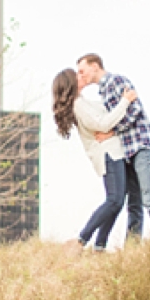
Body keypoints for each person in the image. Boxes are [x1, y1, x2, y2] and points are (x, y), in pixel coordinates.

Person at [75, 53, 150, 239]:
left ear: (95, 66)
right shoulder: (102, 92)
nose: (81, 75)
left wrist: (113, 131)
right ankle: (132, 247)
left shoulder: (116, 81)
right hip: (127, 151)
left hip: (141, 145)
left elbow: (134, 110)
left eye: (82, 71)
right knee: (134, 204)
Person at [51, 68, 138, 251]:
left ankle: (99, 246)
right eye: (77, 75)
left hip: (112, 152)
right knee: (114, 200)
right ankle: (81, 239)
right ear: (70, 83)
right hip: (107, 153)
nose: (81, 76)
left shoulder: (83, 102)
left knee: (117, 201)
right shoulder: (78, 105)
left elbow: (105, 114)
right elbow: (103, 124)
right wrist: (125, 101)